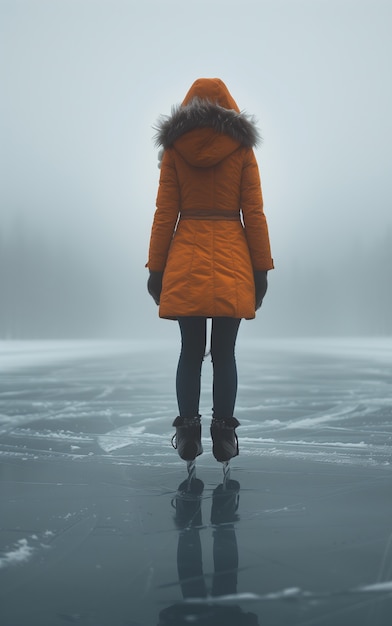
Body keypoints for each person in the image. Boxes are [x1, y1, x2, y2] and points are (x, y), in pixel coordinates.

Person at [146, 77, 274, 466]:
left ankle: (188, 432)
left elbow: (165, 213)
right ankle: (225, 434)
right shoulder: (242, 149)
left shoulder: (174, 150)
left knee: (189, 350)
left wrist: (156, 267)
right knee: (224, 352)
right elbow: (253, 212)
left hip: (185, 256)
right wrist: (261, 268)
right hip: (233, 257)